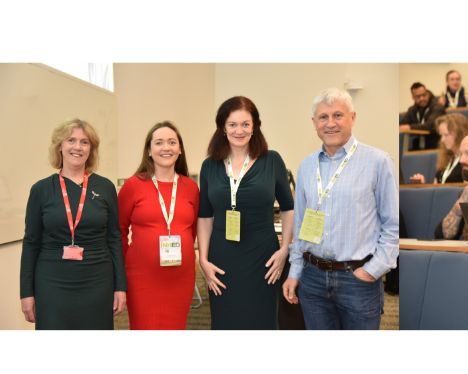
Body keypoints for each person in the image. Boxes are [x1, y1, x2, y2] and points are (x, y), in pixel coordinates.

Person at [283, 87, 398, 330]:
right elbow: (302, 224)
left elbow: (392, 225)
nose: (330, 123)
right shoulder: (306, 166)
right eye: (323, 117)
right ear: (314, 123)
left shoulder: (378, 161)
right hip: (312, 278)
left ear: (352, 118)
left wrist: (372, 270)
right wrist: (295, 271)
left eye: (338, 115)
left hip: (357, 278)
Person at [198, 96, 294, 330]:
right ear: (223, 128)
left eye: (245, 124)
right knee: (225, 320)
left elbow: (289, 209)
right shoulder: (210, 165)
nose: (239, 130)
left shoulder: (272, 160)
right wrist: (203, 259)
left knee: (262, 320)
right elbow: (205, 216)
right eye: (232, 124)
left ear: (255, 127)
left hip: (263, 257)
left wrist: (284, 250)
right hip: (223, 258)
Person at [20, 119, 126, 329]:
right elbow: (31, 242)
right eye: (71, 140)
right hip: (52, 282)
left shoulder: (105, 187)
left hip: (98, 280)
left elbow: (114, 238)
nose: (77, 147)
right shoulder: (40, 190)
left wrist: (120, 287)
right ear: (60, 146)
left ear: (91, 149)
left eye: (84, 142)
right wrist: (26, 293)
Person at [117, 121, 199, 329]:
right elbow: (118, 231)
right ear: (149, 150)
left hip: (181, 278)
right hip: (142, 279)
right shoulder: (133, 186)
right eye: (159, 142)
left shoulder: (190, 187)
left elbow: (193, 231)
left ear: (180, 150)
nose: (166, 148)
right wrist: (130, 264)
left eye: (172, 142)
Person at [409, 113, 468, 184]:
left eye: (446, 135)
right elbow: (437, 186)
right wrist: (423, 184)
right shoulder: (447, 158)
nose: (442, 140)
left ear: (460, 134)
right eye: (441, 135)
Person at [399, 82, 446, 150]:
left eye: (424, 95)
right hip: (418, 145)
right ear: (413, 97)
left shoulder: (437, 107)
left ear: (427, 93)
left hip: (435, 145)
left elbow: (430, 125)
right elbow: (402, 125)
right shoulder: (412, 110)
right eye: (418, 96)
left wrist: (410, 127)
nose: (422, 98)